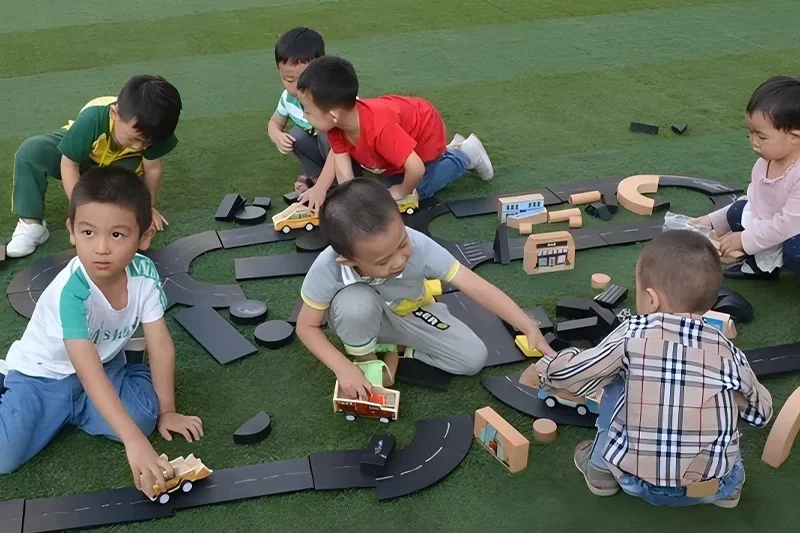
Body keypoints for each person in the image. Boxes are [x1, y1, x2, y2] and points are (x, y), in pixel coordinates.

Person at [523, 230, 772, 507]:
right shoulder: (726, 350)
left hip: (636, 481)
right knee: (728, 403)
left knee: (614, 379)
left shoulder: (632, 334)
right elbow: (760, 415)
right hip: (708, 487)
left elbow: (576, 374)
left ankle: (600, 471)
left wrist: (548, 367)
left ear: (652, 300)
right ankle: (729, 491)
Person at [0, 166, 202, 498]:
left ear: (145, 236)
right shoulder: (71, 292)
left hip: (105, 366)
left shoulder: (145, 274)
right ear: (72, 231)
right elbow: (87, 369)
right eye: (88, 233)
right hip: (43, 377)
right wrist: (134, 443)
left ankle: (100, 394)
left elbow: (161, 346)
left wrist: (168, 411)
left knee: (145, 418)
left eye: (117, 235)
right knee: (4, 456)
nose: (102, 248)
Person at [295, 178, 553, 399]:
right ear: (349, 261)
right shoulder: (328, 267)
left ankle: (397, 349)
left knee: (472, 359)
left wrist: (526, 324)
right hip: (358, 318)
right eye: (383, 261)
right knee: (356, 303)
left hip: (408, 312)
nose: (399, 261)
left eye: (402, 243)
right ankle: (364, 356)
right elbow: (306, 327)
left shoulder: (420, 246)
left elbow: (476, 286)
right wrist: (342, 367)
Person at [7, 74, 182, 258]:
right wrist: (82, 211)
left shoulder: (157, 128)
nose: (139, 147)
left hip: (119, 167)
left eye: (146, 143)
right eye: (134, 138)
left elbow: (152, 168)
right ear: (115, 114)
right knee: (31, 152)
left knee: (122, 195)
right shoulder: (92, 118)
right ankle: (32, 225)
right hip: (83, 156)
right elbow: (69, 165)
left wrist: (148, 207)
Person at [295, 56, 493, 212]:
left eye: (308, 111)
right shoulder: (336, 127)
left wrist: (402, 190)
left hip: (425, 135)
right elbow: (344, 171)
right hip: (400, 137)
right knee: (382, 190)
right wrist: (350, 201)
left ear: (333, 115)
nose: (304, 115)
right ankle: (446, 155)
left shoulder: (379, 128)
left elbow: (416, 168)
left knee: (415, 191)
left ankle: (464, 154)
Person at [693, 75, 800, 280]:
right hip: (778, 225)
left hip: (793, 228)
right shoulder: (765, 162)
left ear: (794, 137)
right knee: (737, 210)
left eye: (762, 136)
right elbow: (754, 202)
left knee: (795, 251)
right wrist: (711, 221)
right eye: (750, 133)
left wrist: (744, 240)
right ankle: (761, 266)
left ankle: (767, 259)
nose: (753, 141)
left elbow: (787, 225)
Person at [266, 27, 361, 193]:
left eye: (304, 79)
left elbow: (339, 147)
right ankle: (316, 178)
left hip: (347, 152)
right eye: (289, 79)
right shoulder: (288, 98)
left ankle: (335, 185)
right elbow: (275, 122)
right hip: (326, 151)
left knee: (327, 135)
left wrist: (321, 189)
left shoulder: (333, 98)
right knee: (297, 136)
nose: (298, 87)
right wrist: (277, 136)